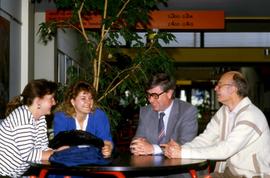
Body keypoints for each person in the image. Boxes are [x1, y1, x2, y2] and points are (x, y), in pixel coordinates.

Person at [162, 71, 270, 178]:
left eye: (220, 85)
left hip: (253, 174)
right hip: (229, 172)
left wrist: (183, 153)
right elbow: (206, 139)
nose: (215, 88)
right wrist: (180, 149)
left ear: (233, 88)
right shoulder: (224, 111)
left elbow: (226, 149)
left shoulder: (250, 115)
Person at [0, 79, 58, 177]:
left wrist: (58, 152)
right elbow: (29, 155)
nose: (54, 103)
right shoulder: (22, 117)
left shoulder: (40, 118)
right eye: (51, 98)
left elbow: (42, 148)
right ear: (38, 101)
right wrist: (58, 154)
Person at [130, 72, 198, 156]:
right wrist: (137, 147)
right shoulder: (145, 112)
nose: (150, 100)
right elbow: (136, 141)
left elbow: (186, 146)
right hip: (149, 166)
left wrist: (153, 149)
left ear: (169, 93)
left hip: (178, 166)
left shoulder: (187, 111)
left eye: (155, 95)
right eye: (149, 95)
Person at [53, 80, 113, 158]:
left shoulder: (99, 116)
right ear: (73, 102)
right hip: (69, 162)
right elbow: (60, 146)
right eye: (83, 98)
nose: (88, 102)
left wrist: (108, 148)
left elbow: (106, 140)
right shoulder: (61, 117)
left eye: (90, 98)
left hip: (94, 162)